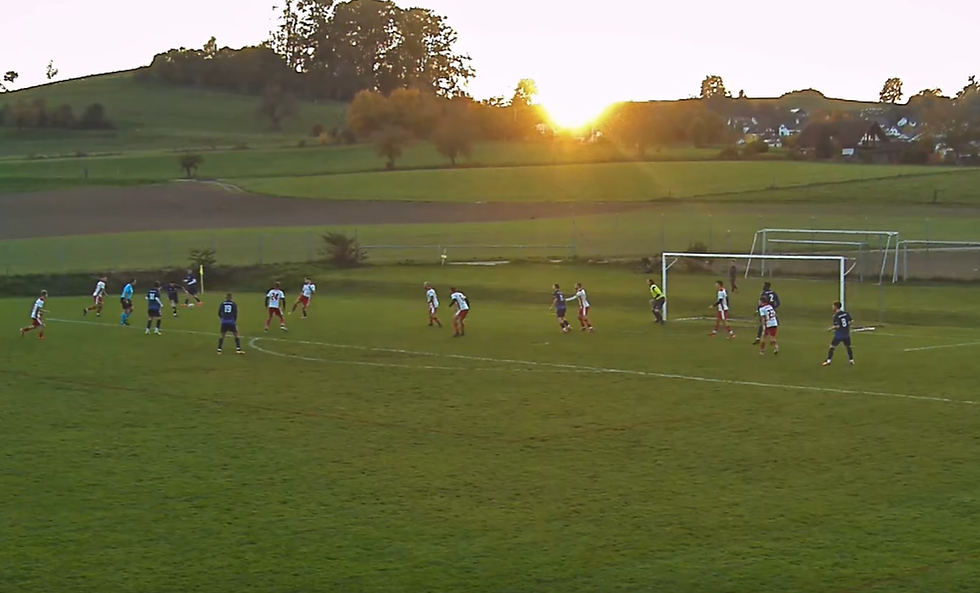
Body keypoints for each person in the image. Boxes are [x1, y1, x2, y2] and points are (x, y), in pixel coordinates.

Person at [823, 301, 855, 366]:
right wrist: (846, 326)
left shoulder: (836, 316)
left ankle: (828, 361)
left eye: (833, 306)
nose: (832, 308)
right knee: (848, 347)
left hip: (839, 335)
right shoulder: (845, 313)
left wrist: (830, 329)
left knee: (832, 347)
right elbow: (851, 321)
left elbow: (837, 326)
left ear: (836, 307)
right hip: (846, 334)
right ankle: (851, 360)